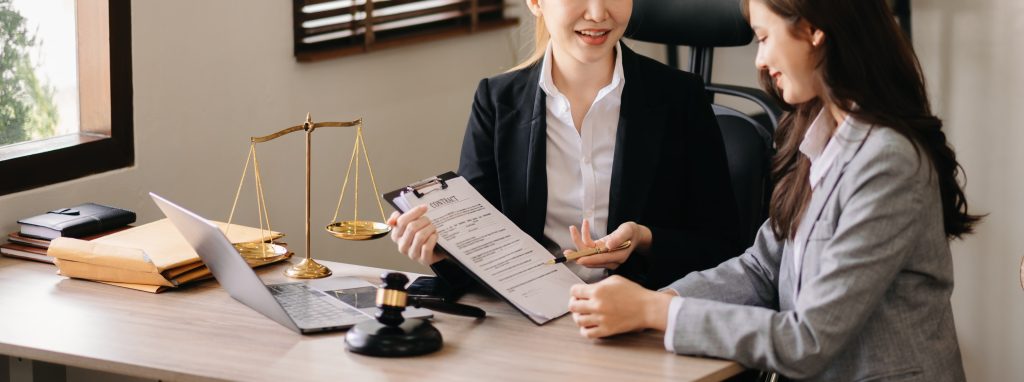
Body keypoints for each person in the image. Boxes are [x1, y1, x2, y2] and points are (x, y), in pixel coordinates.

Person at [567, 0, 981, 380]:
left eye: (764, 38)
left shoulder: (887, 163)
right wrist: (651, 302)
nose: (761, 61)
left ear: (815, 29)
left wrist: (656, 311)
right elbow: (762, 268)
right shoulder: (820, 139)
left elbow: (808, 339)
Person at [388, 0, 743, 291]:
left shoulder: (680, 98)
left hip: (641, 318)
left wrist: (644, 239)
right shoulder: (497, 102)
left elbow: (723, 249)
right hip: (530, 326)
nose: (597, 13)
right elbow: (483, 252)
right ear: (535, 2)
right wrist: (442, 253)